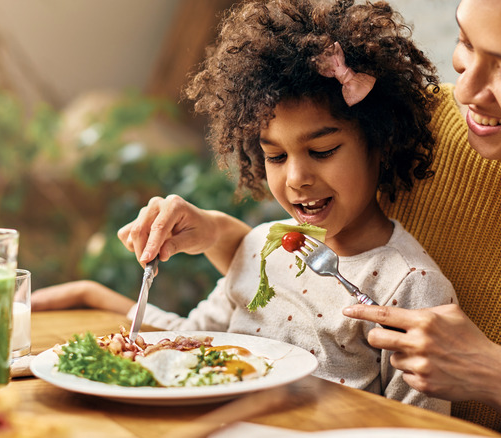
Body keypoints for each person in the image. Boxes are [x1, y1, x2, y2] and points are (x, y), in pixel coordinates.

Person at [111, 0, 501, 437]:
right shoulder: (407, 120)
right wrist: (223, 234)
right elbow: (317, 290)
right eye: (467, 45)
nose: (468, 93)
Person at [34, 0, 459, 413]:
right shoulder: (263, 248)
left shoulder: (410, 286)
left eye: (323, 150)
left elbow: (421, 426)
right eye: (275, 156)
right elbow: (190, 344)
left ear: (380, 142)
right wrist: (99, 299)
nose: (295, 179)